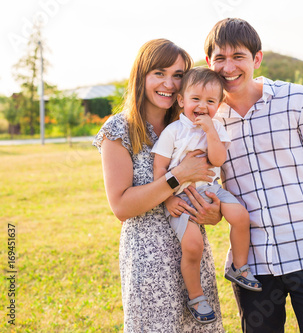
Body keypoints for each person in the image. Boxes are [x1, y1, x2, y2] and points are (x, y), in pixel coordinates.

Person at [204, 18, 303, 332]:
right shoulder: (208, 120)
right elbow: (206, 184)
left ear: (257, 59)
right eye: (220, 58)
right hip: (252, 266)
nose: (228, 67)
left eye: (238, 57)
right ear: (208, 62)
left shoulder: (299, 100)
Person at [93, 39, 224, 332]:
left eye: (178, 75)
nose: (169, 83)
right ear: (142, 75)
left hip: (192, 252)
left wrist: (214, 212)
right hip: (149, 260)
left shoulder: (191, 127)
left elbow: (209, 178)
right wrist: (177, 175)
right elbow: (122, 206)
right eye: (159, 73)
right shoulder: (119, 130)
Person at [152, 67, 262, 324]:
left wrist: (210, 131)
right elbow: (159, 168)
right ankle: (196, 297)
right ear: (181, 101)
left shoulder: (216, 129)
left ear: (219, 104)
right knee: (193, 247)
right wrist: (167, 199)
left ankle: (239, 266)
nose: (202, 106)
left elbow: (217, 159)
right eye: (196, 100)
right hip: (179, 194)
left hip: (209, 188)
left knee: (240, 216)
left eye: (210, 101)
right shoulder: (173, 132)